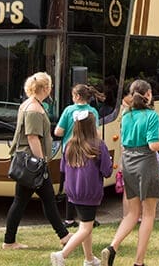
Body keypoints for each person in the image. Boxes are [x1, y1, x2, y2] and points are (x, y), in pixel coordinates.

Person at [102, 80, 159, 266]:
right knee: (148, 214)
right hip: (145, 163)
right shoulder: (151, 115)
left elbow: (123, 142)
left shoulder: (126, 114)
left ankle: (112, 246)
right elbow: (153, 145)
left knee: (131, 213)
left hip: (129, 162)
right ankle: (139, 262)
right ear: (148, 94)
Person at [3, 72, 70, 250]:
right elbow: (32, 137)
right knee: (44, 199)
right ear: (46, 88)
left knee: (28, 200)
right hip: (31, 163)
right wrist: (41, 163)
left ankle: (62, 235)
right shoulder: (34, 109)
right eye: (50, 86)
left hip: (28, 161)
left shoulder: (29, 104)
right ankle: (63, 235)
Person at [51, 112, 113, 266]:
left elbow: (63, 169)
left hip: (73, 192)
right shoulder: (98, 145)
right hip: (89, 192)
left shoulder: (69, 145)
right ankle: (62, 255)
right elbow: (107, 171)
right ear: (92, 126)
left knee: (85, 224)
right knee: (86, 227)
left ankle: (89, 259)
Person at [55, 84, 101, 227]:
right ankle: (88, 218)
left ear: (77, 96)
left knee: (71, 184)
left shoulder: (69, 110)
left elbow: (58, 132)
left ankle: (69, 218)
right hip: (88, 152)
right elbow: (97, 134)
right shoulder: (92, 111)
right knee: (87, 183)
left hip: (70, 151)